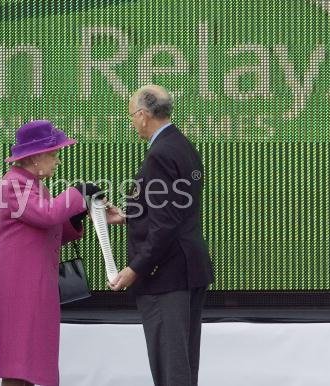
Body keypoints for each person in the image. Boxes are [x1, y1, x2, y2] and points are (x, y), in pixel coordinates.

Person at [0, 120, 100, 386]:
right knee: (18, 363)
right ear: (36, 157)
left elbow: (48, 229)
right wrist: (79, 192)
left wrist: (76, 218)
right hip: (17, 283)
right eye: (53, 154)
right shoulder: (14, 184)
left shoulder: (29, 183)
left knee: (24, 361)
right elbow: (47, 214)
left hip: (26, 281)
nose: (57, 160)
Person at [107, 85, 214, 386]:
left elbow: (165, 224)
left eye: (131, 115)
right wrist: (129, 216)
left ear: (143, 116)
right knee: (183, 365)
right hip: (187, 269)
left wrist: (135, 269)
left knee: (171, 368)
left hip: (167, 277)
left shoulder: (160, 154)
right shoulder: (182, 145)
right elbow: (174, 211)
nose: (132, 122)